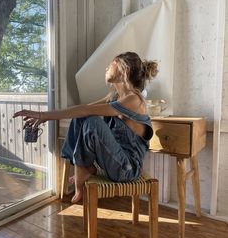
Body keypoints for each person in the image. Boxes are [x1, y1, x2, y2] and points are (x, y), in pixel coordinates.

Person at [13, 52, 158, 204]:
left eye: (111, 64)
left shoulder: (134, 99)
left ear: (123, 69)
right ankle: (83, 167)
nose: (107, 68)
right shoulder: (115, 97)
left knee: (92, 122)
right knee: (82, 117)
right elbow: (84, 109)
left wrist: (42, 115)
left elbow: (87, 110)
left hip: (127, 169)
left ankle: (82, 169)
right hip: (113, 163)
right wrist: (44, 116)